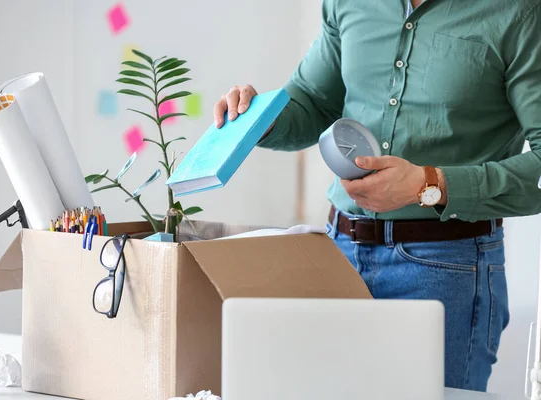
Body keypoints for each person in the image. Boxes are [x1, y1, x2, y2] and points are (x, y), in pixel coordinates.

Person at [213, 0, 541, 392]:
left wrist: (427, 183)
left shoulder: (518, 13)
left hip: (446, 267)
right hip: (335, 255)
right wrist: (257, 118)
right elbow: (314, 101)